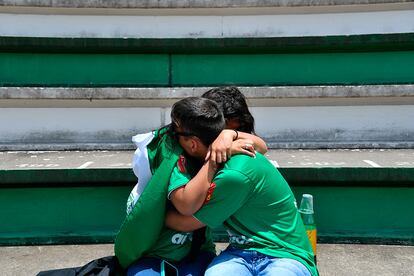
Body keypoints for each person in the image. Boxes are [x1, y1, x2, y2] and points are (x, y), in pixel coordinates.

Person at [165, 97, 318, 276]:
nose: (171, 138)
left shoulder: (233, 176)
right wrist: (229, 135)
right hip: (239, 252)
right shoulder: (227, 160)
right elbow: (262, 145)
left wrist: (150, 213)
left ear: (192, 143)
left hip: (285, 254)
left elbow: (184, 221)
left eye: (175, 134)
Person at [123, 88, 268, 275]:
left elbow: (262, 146)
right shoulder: (173, 151)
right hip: (157, 250)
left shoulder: (219, 145)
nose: (222, 139)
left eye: (235, 131)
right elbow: (186, 206)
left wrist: (229, 136)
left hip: (196, 249)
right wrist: (213, 161)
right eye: (222, 131)